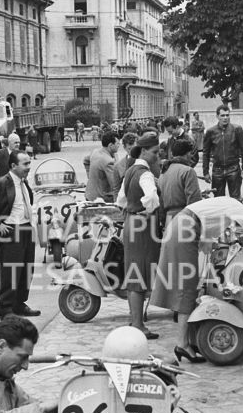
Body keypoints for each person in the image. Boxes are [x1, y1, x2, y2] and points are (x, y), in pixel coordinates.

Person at [151, 195, 243, 364]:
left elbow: (208, 243)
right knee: (187, 286)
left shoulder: (221, 212)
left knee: (189, 285)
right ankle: (182, 344)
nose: (241, 227)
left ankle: (187, 341)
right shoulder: (235, 205)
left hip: (183, 225)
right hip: (185, 227)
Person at [0, 150, 41, 319]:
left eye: (29, 162)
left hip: (27, 228)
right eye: (25, 164)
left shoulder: (23, 182)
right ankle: (6, 309)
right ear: (13, 166)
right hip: (12, 232)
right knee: (10, 272)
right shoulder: (1, 183)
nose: (29, 166)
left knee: (26, 270)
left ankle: (19, 304)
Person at [116, 130, 162, 339]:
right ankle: (138, 325)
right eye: (155, 152)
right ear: (144, 151)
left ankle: (134, 318)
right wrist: (149, 210)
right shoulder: (145, 173)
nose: (157, 157)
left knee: (135, 273)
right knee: (140, 276)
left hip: (130, 223)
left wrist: (132, 209)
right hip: (143, 225)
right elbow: (152, 198)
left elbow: (121, 201)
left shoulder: (129, 171)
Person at [202, 104, 243, 199]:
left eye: (227, 115)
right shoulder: (211, 132)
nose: (225, 118)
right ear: (217, 116)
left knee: (235, 199)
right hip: (217, 170)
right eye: (222, 115)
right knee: (219, 200)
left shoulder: (237, 130)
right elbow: (206, 153)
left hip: (233, 169)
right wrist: (205, 172)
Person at [158, 139, 203, 225]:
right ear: (187, 154)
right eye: (190, 153)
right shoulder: (188, 171)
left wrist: (163, 222)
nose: (191, 157)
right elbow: (194, 200)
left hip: (168, 220)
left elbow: (161, 202)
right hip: (184, 219)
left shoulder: (163, 172)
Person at [83, 131, 121, 202]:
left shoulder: (95, 152)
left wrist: (90, 176)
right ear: (110, 145)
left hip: (89, 194)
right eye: (117, 143)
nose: (119, 145)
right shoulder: (108, 162)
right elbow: (115, 185)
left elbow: (85, 161)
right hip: (100, 199)